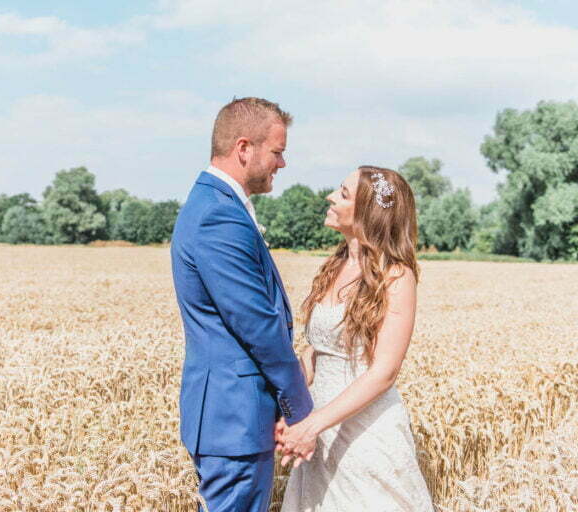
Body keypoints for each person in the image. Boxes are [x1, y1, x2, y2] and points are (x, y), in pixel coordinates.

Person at [170, 97, 314, 512]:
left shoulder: (216, 205)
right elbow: (257, 324)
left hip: (231, 414)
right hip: (235, 415)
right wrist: (300, 407)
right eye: (277, 151)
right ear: (244, 148)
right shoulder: (218, 214)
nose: (282, 164)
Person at [278, 166, 435, 511]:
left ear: (368, 212)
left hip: (364, 432)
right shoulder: (335, 265)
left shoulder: (397, 276)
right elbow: (317, 351)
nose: (330, 197)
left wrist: (313, 425)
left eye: (343, 193)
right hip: (319, 426)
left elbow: (384, 373)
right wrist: (287, 407)